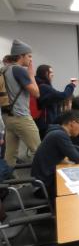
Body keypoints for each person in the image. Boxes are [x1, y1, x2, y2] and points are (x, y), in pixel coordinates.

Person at [31, 110, 79, 199]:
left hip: (44, 178)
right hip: (43, 185)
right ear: (72, 123)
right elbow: (78, 159)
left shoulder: (57, 130)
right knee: (78, 190)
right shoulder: (60, 135)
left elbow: (68, 145)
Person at [2, 39, 41, 167]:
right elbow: (36, 93)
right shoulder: (19, 70)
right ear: (20, 56)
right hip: (21, 117)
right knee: (40, 151)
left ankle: (6, 183)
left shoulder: (4, 69)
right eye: (29, 56)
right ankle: (45, 183)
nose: (31, 60)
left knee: (10, 155)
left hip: (7, 118)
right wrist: (31, 75)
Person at [35, 64, 76, 138]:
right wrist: (71, 85)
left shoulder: (40, 85)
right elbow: (63, 95)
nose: (53, 75)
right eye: (50, 72)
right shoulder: (44, 87)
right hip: (46, 122)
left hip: (43, 121)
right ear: (45, 73)